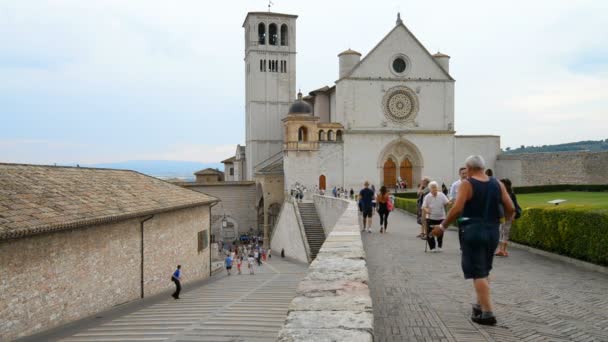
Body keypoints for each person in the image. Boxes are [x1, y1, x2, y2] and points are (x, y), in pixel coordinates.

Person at [431, 155, 514, 326]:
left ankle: (488, 312)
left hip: (473, 230)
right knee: (484, 269)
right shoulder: (497, 184)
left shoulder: (467, 184)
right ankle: (479, 304)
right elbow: (511, 208)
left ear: (469, 168)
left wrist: (442, 227)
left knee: (478, 273)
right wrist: (500, 222)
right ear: (483, 167)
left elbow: (457, 208)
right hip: (492, 231)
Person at [496, 178, 521, 257]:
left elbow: (515, 206)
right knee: (501, 231)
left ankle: (504, 250)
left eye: (502, 184)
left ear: (506, 185)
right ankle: (501, 250)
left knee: (505, 232)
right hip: (501, 215)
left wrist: (513, 216)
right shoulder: (499, 193)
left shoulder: (511, 194)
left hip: (508, 215)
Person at [422, 181, 449, 252]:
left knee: (440, 232)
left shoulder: (442, 195)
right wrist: (426, 210)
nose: (434, 189)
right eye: (432, 188)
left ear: (437, 188)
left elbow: (447, 203)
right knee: (430, 233)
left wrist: (450, 203)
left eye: (435, 187)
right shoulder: (427, 197)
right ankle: (432, 247)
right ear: (430, 189)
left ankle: (440, 246)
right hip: (431, 217)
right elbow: (424, 206)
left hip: (441, 217)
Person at [449, 167, 468, 249]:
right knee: (462, 228)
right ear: (459, 174)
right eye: (462, 173)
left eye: (465, 173)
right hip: (460, 211)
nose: (464, 175)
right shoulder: (455, 184)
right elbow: (451, 198)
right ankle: (462, 246)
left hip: (471, 210)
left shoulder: (471, 183)